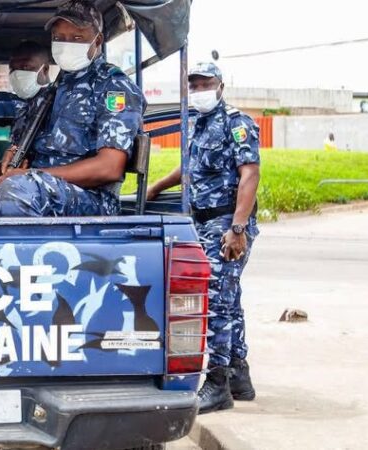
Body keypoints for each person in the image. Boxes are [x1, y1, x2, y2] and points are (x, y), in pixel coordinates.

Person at [0, 0, 146, 218]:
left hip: (90, 199)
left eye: (77, 37)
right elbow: (20, 155)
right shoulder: (50, 92)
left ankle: (9, 247)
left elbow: (109, 168)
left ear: (97, 41)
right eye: (59, 38)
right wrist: (14, 157)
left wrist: (30, 175)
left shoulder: (113, 86)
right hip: (30, 189)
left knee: (18, 189)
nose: (67, 44)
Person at [147, 62, 261, 414]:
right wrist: (155, 187)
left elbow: (250, 175)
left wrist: (237, 229)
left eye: (205, 84)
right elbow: (189, 167)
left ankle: (217, 384)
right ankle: (239, 376)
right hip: (205, 223)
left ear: (221, 86)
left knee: (216, 303)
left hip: (227, 223)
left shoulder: (236, 123)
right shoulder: (198, 123)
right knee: (229, 299)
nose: (199, 91)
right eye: (194, 85)